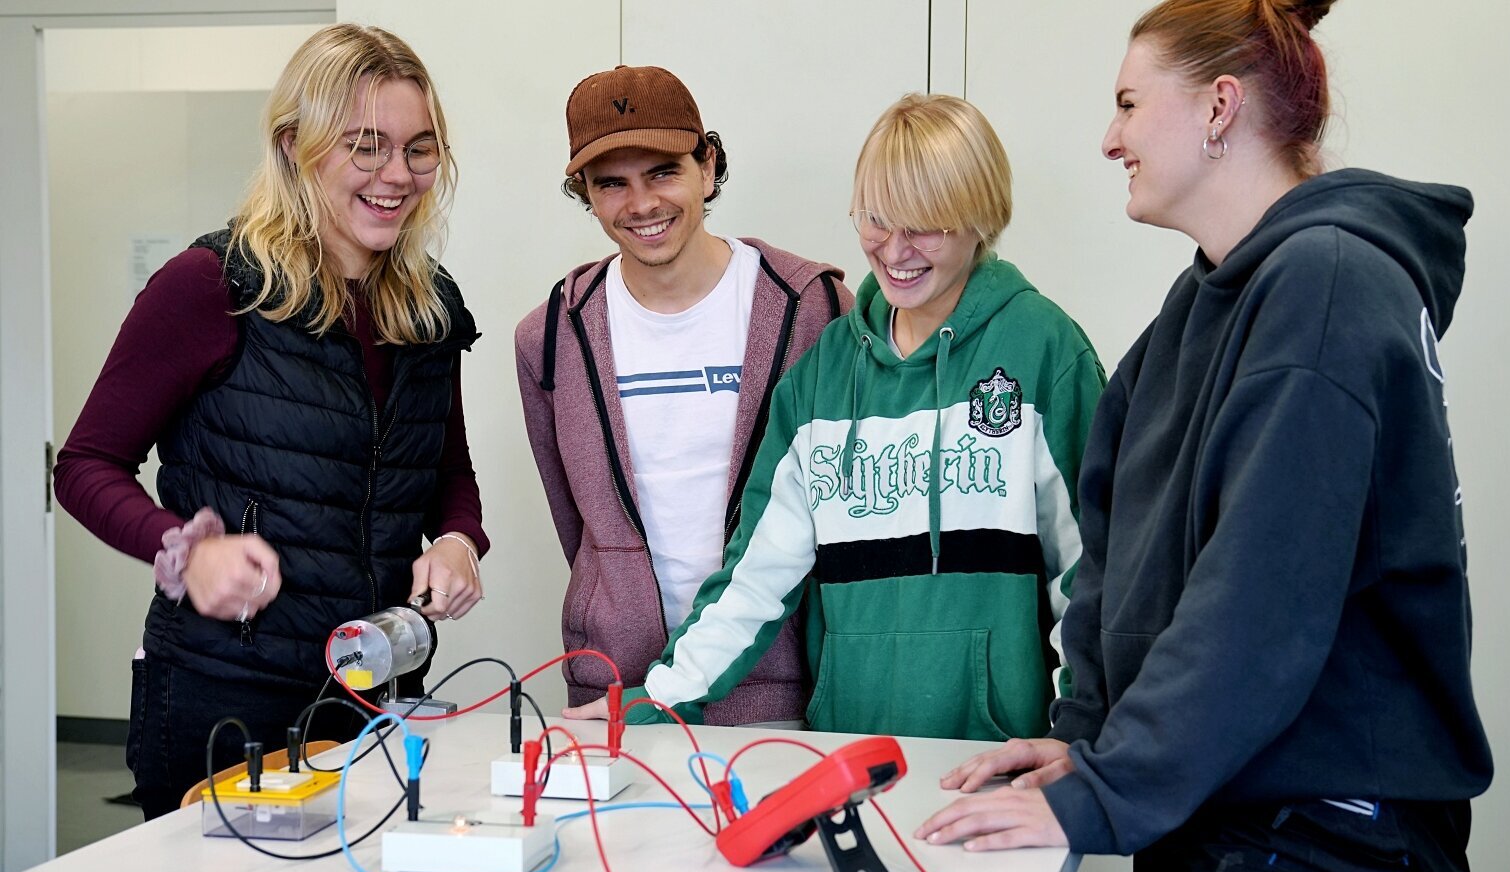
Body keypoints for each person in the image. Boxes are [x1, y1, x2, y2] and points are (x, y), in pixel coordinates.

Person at [916, 1, 1493, 872]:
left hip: (1324, 839)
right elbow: (1119, 551)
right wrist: (1087, 740)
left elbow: (1260, 597)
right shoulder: (1197, 313)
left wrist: (1110, 790)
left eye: (1128, 104)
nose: (1109, 139)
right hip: (1222, 812)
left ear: (1219, 106)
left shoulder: (1327, 285)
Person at [566, 93, 1105, 740]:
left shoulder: (1043, 351)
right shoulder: (821, 375)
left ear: (980, 216)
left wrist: (1078, 733)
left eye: (926, 225)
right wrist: (659, 698)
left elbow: (1091, 575)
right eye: (876, 219)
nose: (895, 250)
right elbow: (756, 576)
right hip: (848, 752)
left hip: (998, 753)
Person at [54, 24, 487, 819]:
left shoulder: (427, 304)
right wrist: (186, 550)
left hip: (374, 692)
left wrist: (459, 539)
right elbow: (83, 467)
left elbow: (446, 471)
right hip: (223, 698)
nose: (397, 175)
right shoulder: (209, 285)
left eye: (419, 149)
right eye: (365, 146)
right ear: (295, 146)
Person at [515, 65, 850, 726]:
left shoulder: (812, 309)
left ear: (708, 165)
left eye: (662, 172)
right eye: (611, 183)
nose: (641, 204)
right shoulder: (551, 335)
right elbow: (576, 521)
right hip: (613, 687)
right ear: (585, 194)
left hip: (777, 685)